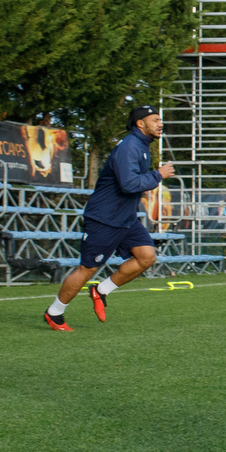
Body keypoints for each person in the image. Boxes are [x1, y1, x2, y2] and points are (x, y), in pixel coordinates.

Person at [44, 105, 175, 331]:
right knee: (87, 269)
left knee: (146, 257)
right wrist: (158, 175)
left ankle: (101, 291)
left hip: (125, 218)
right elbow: (128, 184)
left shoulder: (141, 145)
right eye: (155, 120)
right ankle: (54, 313)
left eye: (160, 119)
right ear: (140, 123)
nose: (160, 124)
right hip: (105, 218)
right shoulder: (130, 146)